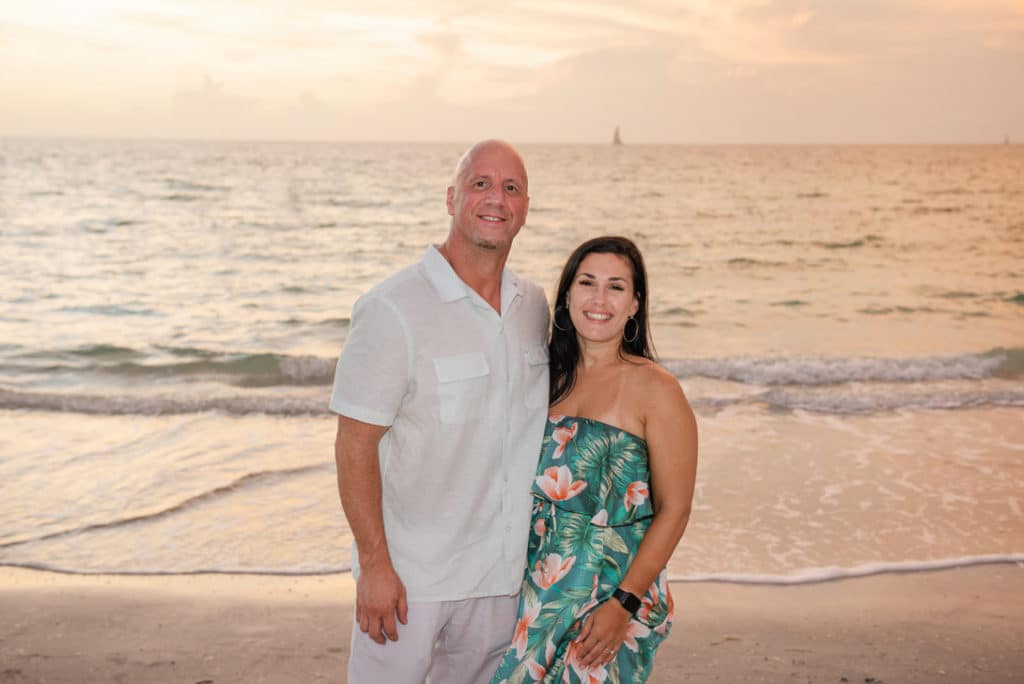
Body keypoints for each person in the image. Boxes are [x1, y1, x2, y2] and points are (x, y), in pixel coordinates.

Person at [329, 140, 550, 683]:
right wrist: (375, 566)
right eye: (480, 184)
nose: (495, 198)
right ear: (452, 198)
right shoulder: (392, 308)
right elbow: (354, 445)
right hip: (411, 584)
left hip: (502, 582)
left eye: (511, 188)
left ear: (525, 208)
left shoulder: (536, 307)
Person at [491, 236, 699, 683]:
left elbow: (675, 509)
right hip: (539, 586)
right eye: (587, 283)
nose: (599, 299)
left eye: (616, 287)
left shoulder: (657, 389)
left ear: (634, 305)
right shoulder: (545, 380)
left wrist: (623, 604)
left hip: (614, 591)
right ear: (566, 297)